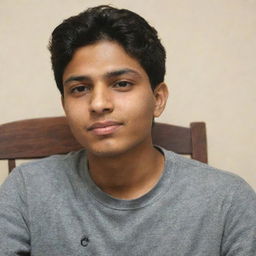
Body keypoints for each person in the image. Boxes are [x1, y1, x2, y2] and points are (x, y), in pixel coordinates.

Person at [0, 5, 255, 256]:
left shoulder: (228, 200)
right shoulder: (26, 190)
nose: (99, 104)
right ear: (65, 104)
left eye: (121, 84)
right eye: (79, 88)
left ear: (157, 99)